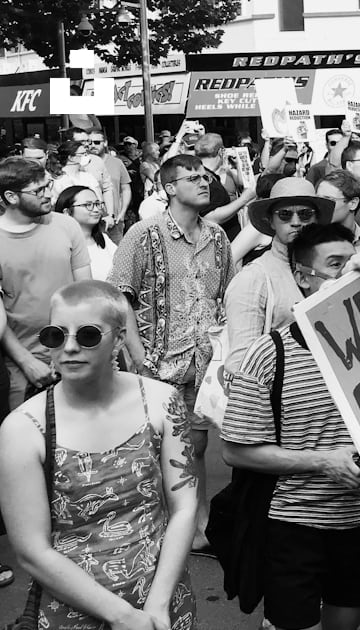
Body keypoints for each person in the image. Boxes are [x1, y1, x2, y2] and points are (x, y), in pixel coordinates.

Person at [222, 224, 360, 630]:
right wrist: (323, 462)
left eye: (356, 263)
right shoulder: (269, 354)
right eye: (336, 265)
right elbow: (235, 450)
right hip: (293, 527)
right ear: (302, 277)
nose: (350, 272)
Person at [0, 280, 197, 629]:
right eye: (55, 335)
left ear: (119, 339)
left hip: (164, 603)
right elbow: (32, 551)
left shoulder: (161, 402)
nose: (69, 347)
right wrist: (124, 617)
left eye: (88, 335)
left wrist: (157, 606)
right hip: (74, 610)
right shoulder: (24, 428)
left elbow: (184, 506)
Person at [109, 154, 233, 555]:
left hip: (203, 363)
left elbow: (225, 294)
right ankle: (151, 530)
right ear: (169, 188)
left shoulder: (217, 236)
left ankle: (198, 527)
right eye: (192, 177)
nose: (203, 182)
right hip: (158, 364)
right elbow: (120, 296)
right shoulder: (143, 233)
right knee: (152, 450)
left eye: (204, 176)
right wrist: (139, 355)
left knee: (196, 447)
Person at [0, 158, 93, 413]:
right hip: (21, 362)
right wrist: (26, 362)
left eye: (48, 185)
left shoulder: (66, 225)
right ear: (11, 197)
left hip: (76, 351)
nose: (49, 194)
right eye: (38, 190)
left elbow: (86, 293)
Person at [223, 178, 335, 377]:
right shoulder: (253, 279)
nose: (296, 222)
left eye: (305, 214)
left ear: (316, 219)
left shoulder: (331, 267)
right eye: (285, 214)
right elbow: (241, 366)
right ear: (271, 221)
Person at [55, 185, 117, 281]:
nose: (96, 210)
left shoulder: (104, 239)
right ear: (67, 212)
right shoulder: (60, 248)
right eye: (88, 205)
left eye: (97, 204)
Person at [87, 130, 133, 242]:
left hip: (115, 220)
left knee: (117, 252)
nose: (93, 145)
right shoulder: (84, 162)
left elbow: (125, 189)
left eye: (97, 142)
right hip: (91, 219)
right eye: (89, 142)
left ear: (105, 143)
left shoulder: (117, 162)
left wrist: (122, 213)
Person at [49, 140, 104, 205]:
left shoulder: (88, 177)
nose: (86, 156)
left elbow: (100, 200)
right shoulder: (57, 180)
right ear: (71, 158)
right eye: (83, 154)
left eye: (86, 153)